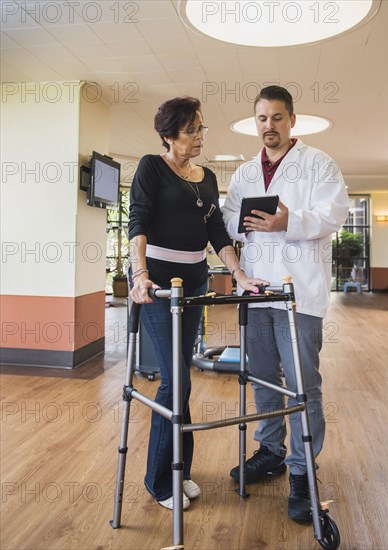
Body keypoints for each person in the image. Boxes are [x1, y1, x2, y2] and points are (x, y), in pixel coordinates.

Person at [128, 96, 266, 511]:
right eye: (192, 130)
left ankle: (180, 469)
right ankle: (160, 480)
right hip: (157, 284)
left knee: (182, 377)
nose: (200, 136)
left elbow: (218, 235)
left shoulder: (206, 178)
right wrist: (138, 275)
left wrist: (240, 275)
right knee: (175, 379)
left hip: (194, 280)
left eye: (201, 128)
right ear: (169, 136)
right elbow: (137, 221)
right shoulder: (151, 167)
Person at [222, 85, 349, 522]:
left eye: (277, 118)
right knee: (262, 378)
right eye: (262, 118)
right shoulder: (242, 174)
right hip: (257, 291)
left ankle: (301, 470)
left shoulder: (319, 164)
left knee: (302, 385)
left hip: (301, 292)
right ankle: (271, 450)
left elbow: (335, 214)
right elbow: (229, 225)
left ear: (291, 120)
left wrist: (287, 221)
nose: (269, 126)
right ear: (254, 122)